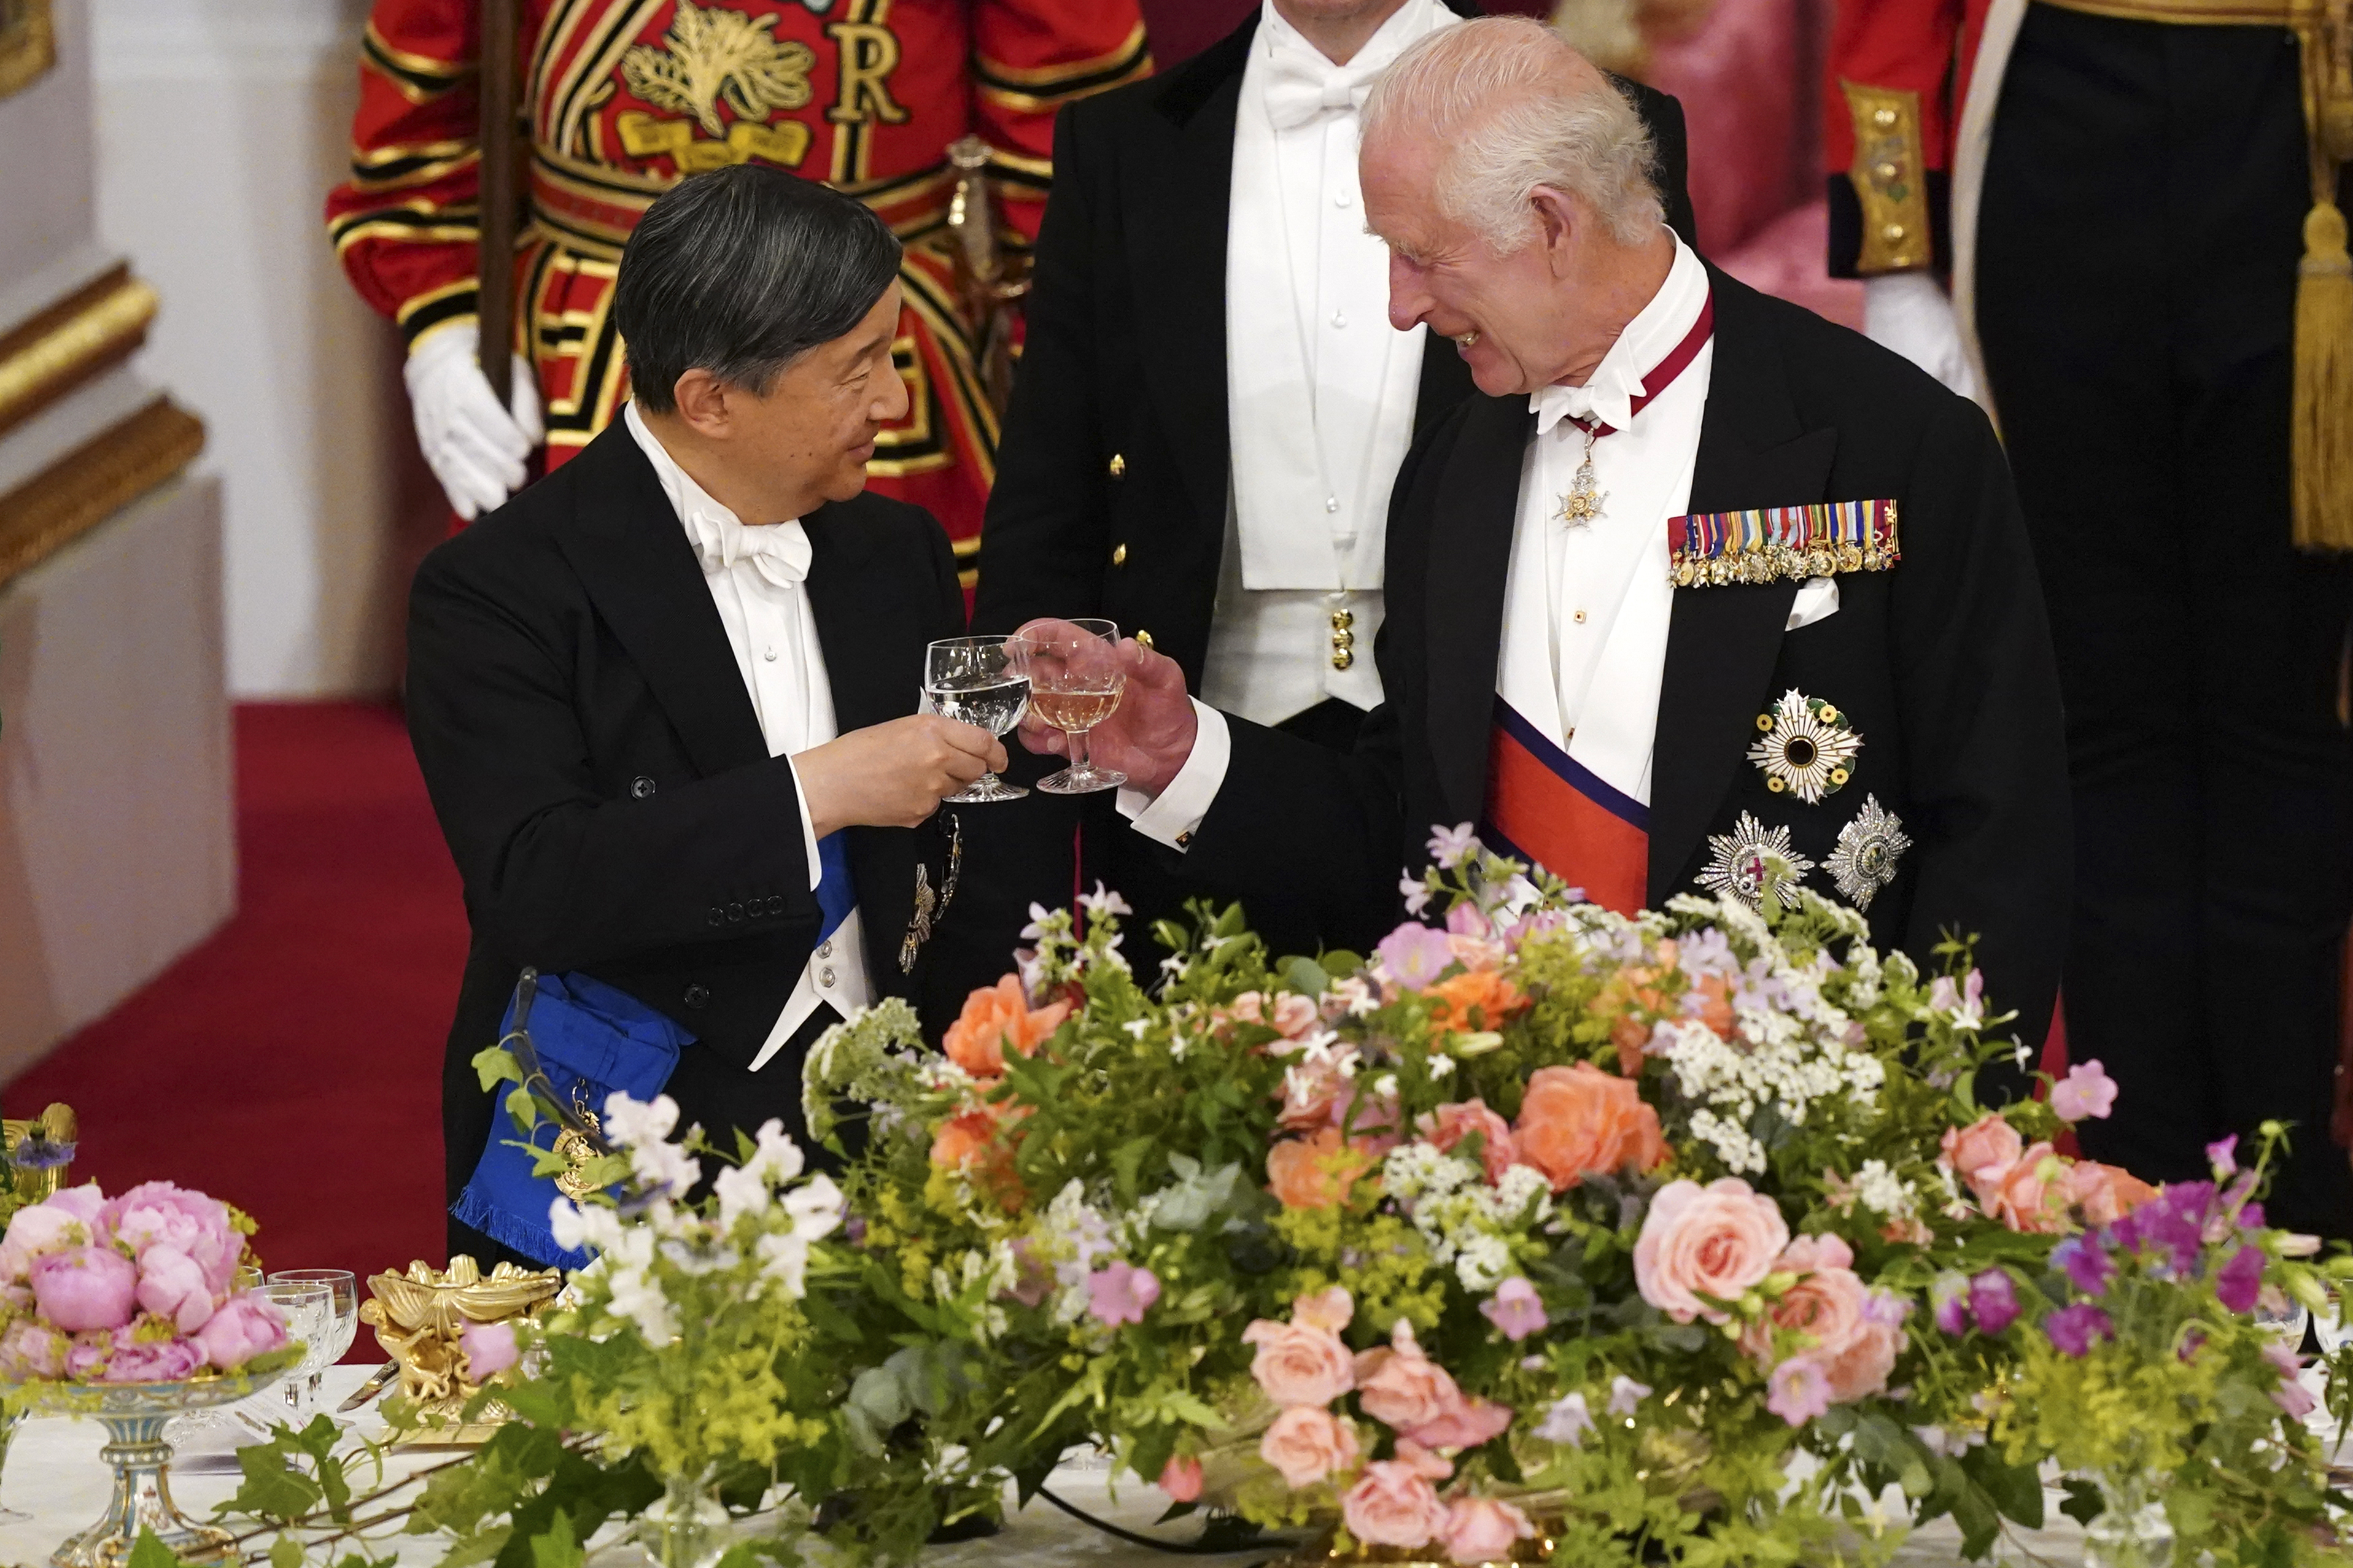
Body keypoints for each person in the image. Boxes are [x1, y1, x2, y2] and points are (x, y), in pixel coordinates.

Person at [1022, 15, 2072, 1067]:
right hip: (1518, 1144)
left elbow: (1997, 832)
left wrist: (1936, 1120)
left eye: (1420, 257)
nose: (1399, 307)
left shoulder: (1895, 442)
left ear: (1552, 223)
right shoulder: (1449, 472)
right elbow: (1408, 830)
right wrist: (1183, 754)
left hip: (1822, 1153)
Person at [972, 0, 1694, 946]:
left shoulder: (1598, 119)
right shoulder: (1124, 139)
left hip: (1495, 748)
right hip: (1179, 749)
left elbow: (1657, 439)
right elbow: (1051, 487)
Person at [406, 165, 1016, 1265]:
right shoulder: (498, 587)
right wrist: (822, 791)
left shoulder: (897, 553)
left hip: (886, 1137)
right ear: (710, 400)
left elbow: (954, 853)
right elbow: (537, 883)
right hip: (626, 1132)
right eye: (857, 370)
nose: (894, 403)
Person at [1824, 3, 2353, 1232]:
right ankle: (2144, 1204)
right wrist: (1899, 258)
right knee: (2104, 724)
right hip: (2063, 113)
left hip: (2313, 131)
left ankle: (2299, 1222)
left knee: (2287, 722)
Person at [325, 0, 1150, 559]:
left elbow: (1071, 144)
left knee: (893, 712)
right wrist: (445, 324)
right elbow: (422, 137)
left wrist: (1077, 371)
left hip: (884, 350)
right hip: (586, 357)